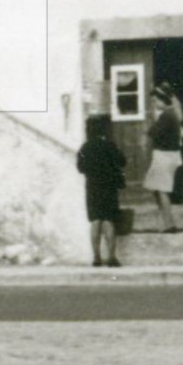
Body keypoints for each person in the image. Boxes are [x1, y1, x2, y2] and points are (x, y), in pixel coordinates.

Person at [76, 115, 127, 268]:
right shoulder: (109, 145)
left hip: (92, 187)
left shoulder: (85, 147)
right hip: (109, 187)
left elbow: (80, 168)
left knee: (95, 221)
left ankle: (96, 257)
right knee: (109, 221)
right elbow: (122, 161)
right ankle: (112, 257)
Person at [144, 83, 183, 233]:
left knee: (161, 190)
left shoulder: (167, 115)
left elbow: (152, 132)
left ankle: (170, 224)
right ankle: (165, 221)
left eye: (156, 101)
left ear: (164, 100)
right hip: (165, 155)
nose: (154, 104)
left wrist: (153, 120)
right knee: (157, 189)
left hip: (165, 156)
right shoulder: (169, 114)